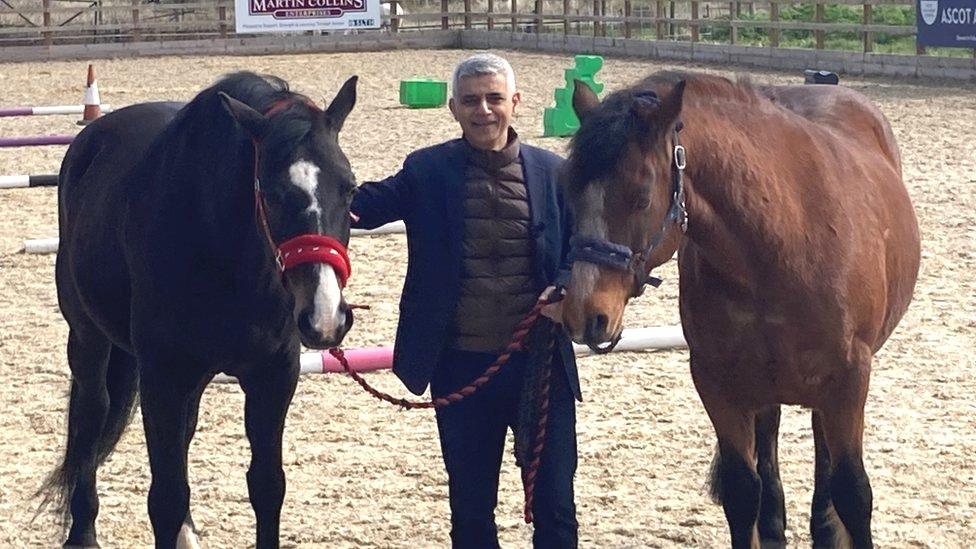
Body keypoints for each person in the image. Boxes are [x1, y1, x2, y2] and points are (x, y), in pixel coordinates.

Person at [351, 53, 580, 548]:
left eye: (494, 98)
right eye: (471, 100)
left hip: (540, 368)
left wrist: (565, 288)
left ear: (514, 103)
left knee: (556, 508)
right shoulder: (426, 170)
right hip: (460, 367)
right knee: (471, 510)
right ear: (453, 108)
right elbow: (359, 208)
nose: (484, 110)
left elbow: (585, 246)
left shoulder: (554, 174)